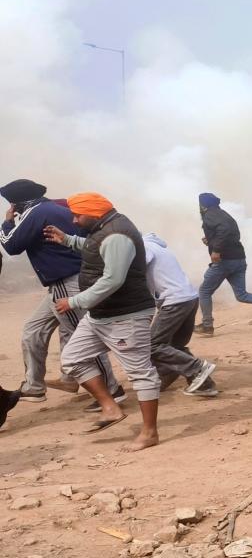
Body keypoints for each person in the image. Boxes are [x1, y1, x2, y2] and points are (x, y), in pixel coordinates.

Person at [44, 193, 161, 451]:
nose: (74, 220)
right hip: (101, 315)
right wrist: (68, 240)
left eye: (77, 215)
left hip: (126, 316)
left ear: (94, 212)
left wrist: (74, 302)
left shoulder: (117, 235)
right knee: (72, 358)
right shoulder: (104, 228)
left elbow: (113, 279)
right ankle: (110, 408)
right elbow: (96, 249)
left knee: (141, 373)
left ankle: (149, 432)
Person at [1, 178, 121, 406]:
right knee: (33, 330)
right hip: (61, 283)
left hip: (68, 282)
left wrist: (7, 223)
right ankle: (35, 386)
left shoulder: (35, 212)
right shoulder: (56, 208)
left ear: (17, 203)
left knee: (82, 336)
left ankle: (113, 390)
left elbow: (11, 245)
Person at [143, 234, 219, 397]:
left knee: (153, 345)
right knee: (175, 346)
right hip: (189, 298)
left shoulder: (142, 247)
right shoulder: (157, 246)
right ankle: (204, 384)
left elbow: (136, 273)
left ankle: (198, 369)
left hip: (174, 301)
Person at [196, 192, 252, 336]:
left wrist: (216, 249)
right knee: (241, 295)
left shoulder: (210, 214)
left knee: (204, 292)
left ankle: (207, 326)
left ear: (203, 205)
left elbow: (224, 230)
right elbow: (230, 234)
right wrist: (211, 241)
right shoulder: (223, 214)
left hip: (225, 261)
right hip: (239, 260)